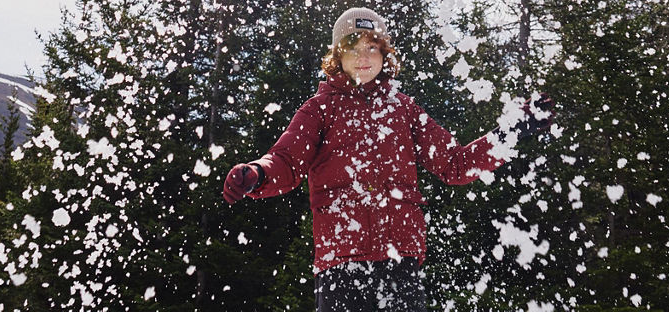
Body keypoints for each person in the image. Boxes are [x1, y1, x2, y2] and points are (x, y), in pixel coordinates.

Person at [221, 7, 554, 311]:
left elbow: (454, 164)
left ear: (384, 54)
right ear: (338, 56)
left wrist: (509, 132)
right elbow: (285, 161)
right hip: (341, 265)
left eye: (372, 48)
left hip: (400, 263)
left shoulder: (404, 109)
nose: (363, 58)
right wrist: (256, 175)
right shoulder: (319, 109)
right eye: (353, 49)